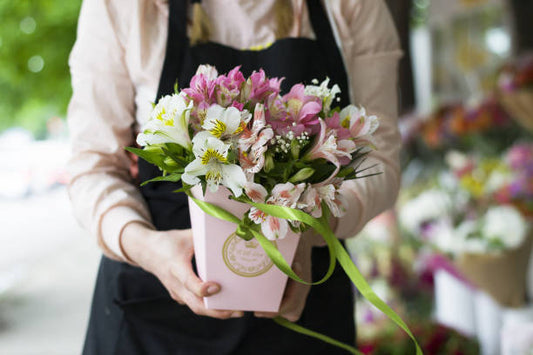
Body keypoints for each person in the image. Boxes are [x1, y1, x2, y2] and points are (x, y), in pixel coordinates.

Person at [67, 0, 402, 353]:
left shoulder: (350, 6)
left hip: (298, 312)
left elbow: (378, 162)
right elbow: (94, 166)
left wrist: (306, 232)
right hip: (152, 315)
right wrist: (146, 248)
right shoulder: (123, 7)